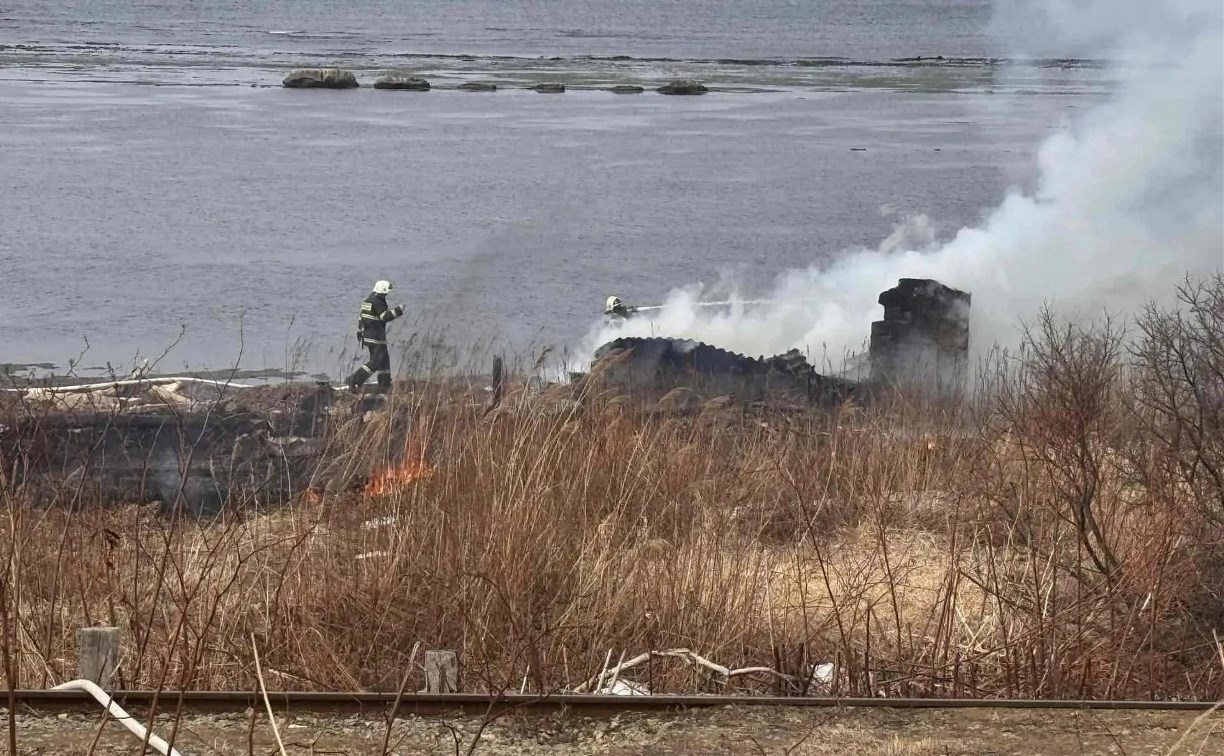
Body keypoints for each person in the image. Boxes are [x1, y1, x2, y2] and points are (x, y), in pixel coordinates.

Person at [347, 280, 404, 393]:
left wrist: (361, 332)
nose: (387, 294)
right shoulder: (378, 302)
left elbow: (360, 318)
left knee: (384, 362)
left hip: (368, 336)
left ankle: (384, 385)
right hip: (376, 337)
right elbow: (384, 317)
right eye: (386, 292)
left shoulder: (367, 301)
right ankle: (354, 379)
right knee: (376, 362)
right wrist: (398, 310)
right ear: (382, 291)